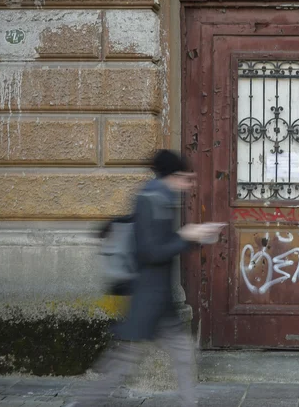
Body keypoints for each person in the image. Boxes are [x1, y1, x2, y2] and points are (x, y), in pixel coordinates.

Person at [68, 149, 220, 407]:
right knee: (122, 364)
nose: (189, 184)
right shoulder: (152, 199)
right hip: (147, 297)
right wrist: (187, 236)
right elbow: (151, 252)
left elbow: (163, 245)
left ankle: (189, 403)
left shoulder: (161, 196)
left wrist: (193, 237)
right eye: (186, 178)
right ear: (173, 176)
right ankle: (81, 403)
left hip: (158, 298)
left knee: (180, 354)